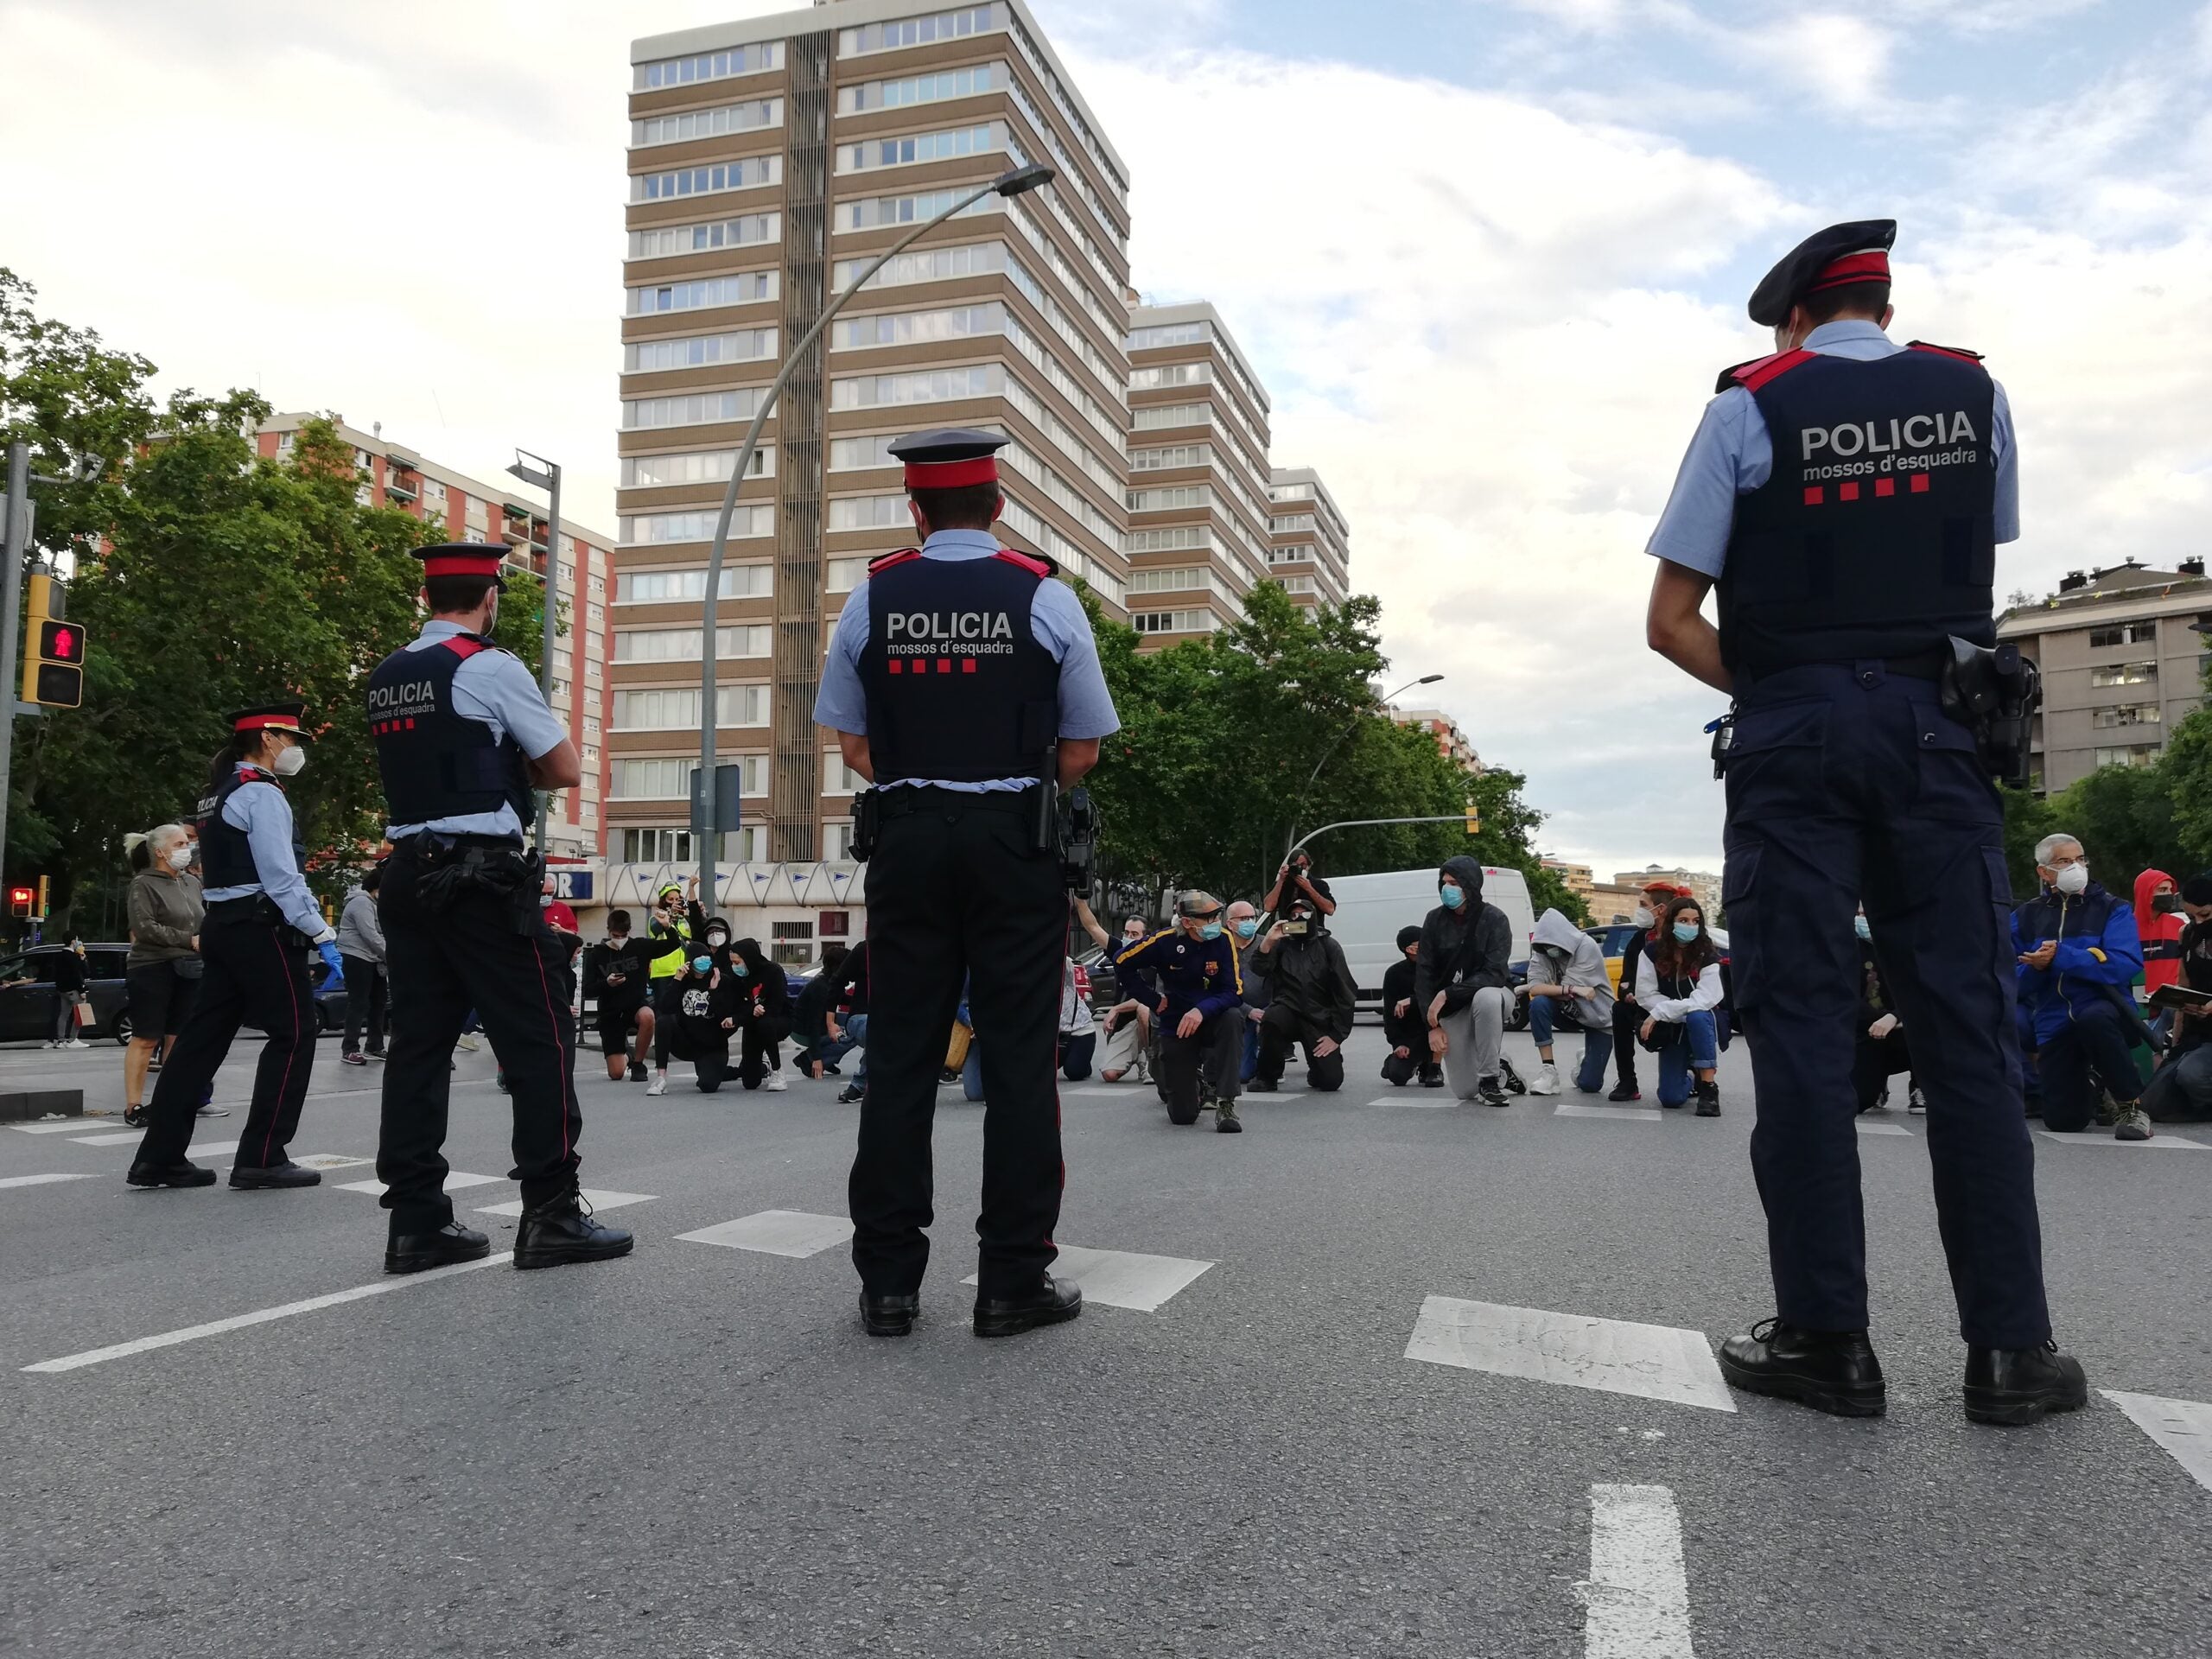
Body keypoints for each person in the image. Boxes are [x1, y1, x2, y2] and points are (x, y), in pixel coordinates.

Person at [1644, 218, 2083, 1424]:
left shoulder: (1748, 406)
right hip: (1942, 734)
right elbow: (1972, 558)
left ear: (1793, 317)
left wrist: (1790, 692)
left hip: (1794, 743)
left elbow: (1671, 621)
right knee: (1970, 1035)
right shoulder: (1972, 393)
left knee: (1798, 1031)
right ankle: (2013, 1354)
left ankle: (1827, 1343)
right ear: (1882, 310)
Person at [812, 428, 1117, 1338]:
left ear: (915, 508)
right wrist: (1006, 798)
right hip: (1011, 844)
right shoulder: (1045, 599)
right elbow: (1083, 746)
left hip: (906, 842)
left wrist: (925, 792)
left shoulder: (870, 598)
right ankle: (1011, 1280)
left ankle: (890, 1286)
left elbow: (854, 745)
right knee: (1021, 1060)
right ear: (996, 507)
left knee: (903, 1057)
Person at [365, 543, 630, 1274]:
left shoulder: (388, 675)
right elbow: (563, 767)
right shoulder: (488, 664)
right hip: (478, 877)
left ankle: (416, 1223)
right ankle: (550, 1213)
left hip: (405, 877)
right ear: (489, 599)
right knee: (540, 1035)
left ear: (427, 596)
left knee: (419, 1049)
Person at [127, 705, 340, 1191]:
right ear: (267, 738)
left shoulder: (217, 792)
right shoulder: (261, 793)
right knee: (295, 1034)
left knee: (201, 1041)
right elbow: (281, 875)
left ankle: (158, 1156)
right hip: (260, 926)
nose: (296, 748)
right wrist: (322, 932)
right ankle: (263, 1157)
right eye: (290, 737)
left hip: (224, 925)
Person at [2014, 834, 2151, 1141]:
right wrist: (2036, 968)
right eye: (2065, 861)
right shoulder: (2026, 915)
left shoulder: (2112, 908)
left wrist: (2062, 956)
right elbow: (2007, 976)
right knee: (2063, 1121)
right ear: (2044, 871)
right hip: (2053, 1019)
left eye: (2080, 859)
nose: (2076, 867)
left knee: (2094, 1018)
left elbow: (2125, 963)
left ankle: (2132, 1105)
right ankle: (2093, 1087)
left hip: (2106, 1011)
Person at [1116, 892, 1248, 1130]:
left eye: (1216, 916)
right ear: (1188, 923)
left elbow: (1234, 992)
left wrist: (1200, 1010)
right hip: (1177, 1023)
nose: (1214, 923)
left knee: (1232, 1018)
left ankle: (1226, 1103)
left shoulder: (1224, 939)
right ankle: (1194, 1082)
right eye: (1207, 918)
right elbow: (1121, 962)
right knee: (1182, 1117)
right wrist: (1153, 1000)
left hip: (1212, 1018)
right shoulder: (1164, 941)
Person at [123, 823, 205, 1127]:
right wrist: (188, 939)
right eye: (180, 844)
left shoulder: (192, 883)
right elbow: (144, 929)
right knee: (146, 1037)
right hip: (151, 966)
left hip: (190, 966)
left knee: (179, 1037)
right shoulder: (142, 884)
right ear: (160, 851)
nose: (187, 849)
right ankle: (134, 1106)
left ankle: (171, 1101)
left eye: (187, 843)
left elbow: (203, 921)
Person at [1414, 856, 1515, 1106]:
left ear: (1470, 885)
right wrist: (1432, 1026)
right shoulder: (1434, 920)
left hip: (1493, 995)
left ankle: (1490, 1079)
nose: (1447, 888)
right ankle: (1502, 1068)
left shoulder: (1495, 919)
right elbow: (1424, 974)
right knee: (1466, 1091)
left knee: (1488, 996)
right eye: (1444, 882)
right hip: (1454, 1008)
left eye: (1454, 882)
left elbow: (1495, 973)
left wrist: (1448, 993)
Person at [1248, 893, 1357, 1094]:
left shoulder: (1329, 946)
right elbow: (1259, 969)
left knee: (1330, 1082)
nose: (1298, 918)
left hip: (1318, 1018)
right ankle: (1267, 1076)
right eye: (1293, 915)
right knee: (1271, 1019)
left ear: (1313, 916)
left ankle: (1317, 1069)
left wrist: (1336, 1036)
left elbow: (1345, 992)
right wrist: (1268, 942)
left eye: (1303, 913)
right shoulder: (1282, 945)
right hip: (1287, 1010)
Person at [1636, 898, 1723, 1115]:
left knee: (1697, 1015)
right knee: (1670, 1098)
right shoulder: (1651, 952)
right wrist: (1668, 1012)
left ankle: (1708, 1089)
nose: (1690, 926)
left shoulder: (1707, 952)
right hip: (1673, 1027)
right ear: (1671, 922)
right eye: (1683, 920)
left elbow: (1708, 996)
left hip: (1702, 1022)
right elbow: (1645, 994)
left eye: (1695, 921)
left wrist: (1663, 1011)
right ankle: (1692, 1076)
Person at [1522, 908, 1615, 1096]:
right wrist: (1572, 990)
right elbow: (1536, 988)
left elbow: (1557, 991)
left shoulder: (1586, 946)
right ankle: (1549, 1072)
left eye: (1552, 943)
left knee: (1590, 1085)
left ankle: (1584, 1060)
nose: (1550, 949)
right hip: (1567, 1012)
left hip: (1597, 1018)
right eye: (1545, 945)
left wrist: (1555, 989)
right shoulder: (1541, 950)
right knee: (1538, 1004)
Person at [1607, 880, 1682, 1103]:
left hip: (1673, 1012)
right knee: (1619, 1010)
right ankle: (1627, 1082)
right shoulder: (1640, 939)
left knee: (1672, 1097)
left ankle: (1696, 1076)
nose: (1639, 910)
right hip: (1642, 1007)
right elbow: (1625, 980)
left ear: (1660, 910)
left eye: (1643, 904)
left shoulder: (1681, 941)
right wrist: (1628, 992)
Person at [1854, 912, 1922, 1114]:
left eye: (1866, 913)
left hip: (1902, 1028)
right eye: (1859, 914)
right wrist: (1879, 1020)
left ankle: (1921, 1086)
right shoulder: (1847, 948)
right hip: (1865, 1031)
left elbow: (1923, 995)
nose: (1862, 918)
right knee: (1858, 1100)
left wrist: (1895, 1017)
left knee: (1929, 1029)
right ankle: (1877, 1083)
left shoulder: (1910, 948)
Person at [642, 880, 702, 1096]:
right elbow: (657, 929)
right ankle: (661, 1071)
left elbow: (695, 935)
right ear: (663, 901)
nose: (675, 902)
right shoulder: (656, 917)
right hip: (664, 973)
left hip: (684, 971)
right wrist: (668, 916)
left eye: (678, 899)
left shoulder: (685, 920)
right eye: (671, 899)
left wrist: (693, 912)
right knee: (664, 1017)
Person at [582, 911, 654, 1083]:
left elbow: (672, 944)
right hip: (610, 1013)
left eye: (623, 935)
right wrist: (607, 983)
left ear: (629, 931)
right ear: (608, 931)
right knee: (616, 1073)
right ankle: (627, 1055)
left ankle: (638, 1063)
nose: (619, 939)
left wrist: (666, 926)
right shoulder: (596, 955)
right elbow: (588, 990)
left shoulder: (639, 946)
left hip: (634, 1005)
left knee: (648, 1016)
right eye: (615, 935)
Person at [336, 865, 387, 1066]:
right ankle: (350, 1048)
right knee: (359, 1002)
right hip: (357, 957)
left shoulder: (374, 904)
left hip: (374, 959)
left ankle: (375, 1045)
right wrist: (392, 955)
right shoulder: (360, 902)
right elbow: (371, 936)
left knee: (379, 1002)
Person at [728, 935, 791, 1090]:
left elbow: (778, 1003)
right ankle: (764, 1065)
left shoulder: (773, 971)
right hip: (752, 1022)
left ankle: (777, 1071)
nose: (734, 966)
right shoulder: (739, 977)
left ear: (748, 959)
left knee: (765, 1024)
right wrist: (750, 1011)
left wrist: (761, 1010)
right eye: (732, 963)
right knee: (750, 1082)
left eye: (737, 962)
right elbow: (738, 1005)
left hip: (778, 1019)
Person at [1379, 926, 1440, 1087]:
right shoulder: (1394, 973)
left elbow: (1441, 996)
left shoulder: (1437, 968)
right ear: (1409, 949)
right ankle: (1402, 1062)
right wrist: (1397, 1043)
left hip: (1436, 1027)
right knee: (1397, 1076)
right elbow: (1389, 1013)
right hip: (1411, 1034)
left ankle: (1433, 1066)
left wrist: (1412, 1001)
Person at [2134, 868, 2184, 1044]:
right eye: (2162, 890)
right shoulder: (2127, 928)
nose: (2169, 895)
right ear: (2146, 893)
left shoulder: (2179, 925)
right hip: (2139, 1007)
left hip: (2173, 1006)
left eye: (2171, 890)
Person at [793, 943, 855, 1079]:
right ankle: (809, 1059)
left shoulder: (831, 981)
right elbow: (813, 1024)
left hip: (819, 1023)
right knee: (852, 1034)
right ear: (837, 967)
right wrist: (817, 1058)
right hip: (803, 1030)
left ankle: (829, 1057)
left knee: (853, 1021)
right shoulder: (821, 987)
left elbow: (843, 998)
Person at [1227, 899, 1268, 1083]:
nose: (1250, 922)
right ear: (1230, 923)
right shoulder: (1222, 948)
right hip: (1239, 1012)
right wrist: (1248, 1011)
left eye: (1252, 917)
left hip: (1268, 1011)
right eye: (1244, 918)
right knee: (1243, 1075)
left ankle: (1271, 1062)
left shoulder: (1267, 944)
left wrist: (1270, 1011)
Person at [825, 940, 870, 1105]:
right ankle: (861, 1083)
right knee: (878, 1029)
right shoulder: (865, 950)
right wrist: (831, 1022)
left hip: (894, 1017)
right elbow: (837, 981)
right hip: (861, 1017)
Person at [1263, 849, 1335, 918]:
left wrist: (1309, 888)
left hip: (1312, 928)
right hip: (1288, 928)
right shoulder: (1282, 884)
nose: (1299, 868)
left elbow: (1330, 910)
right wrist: (1281, 880)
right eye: (1295, 866)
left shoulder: (1319, 885)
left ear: (1309, 866)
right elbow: (1268, 907)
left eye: (1303, 865)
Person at [1058, 957, 1097, 1081]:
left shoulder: (1067, 981)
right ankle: (1072, 1057)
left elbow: (1066, 963)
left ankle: (1084, 1064)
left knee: (1074, 1072)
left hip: (1081, 1032)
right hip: (1058, 1037)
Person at [47, 935, 90, 1050]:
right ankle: (73, 1039)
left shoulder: (58, 956)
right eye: (76, 940)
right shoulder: (74, 957)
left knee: (63, 1015)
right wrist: (82, 990)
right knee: (80, 1015)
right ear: (72, 942)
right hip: (74, 990)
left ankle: (61, 1040)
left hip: (62, 990)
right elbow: (78, 974)